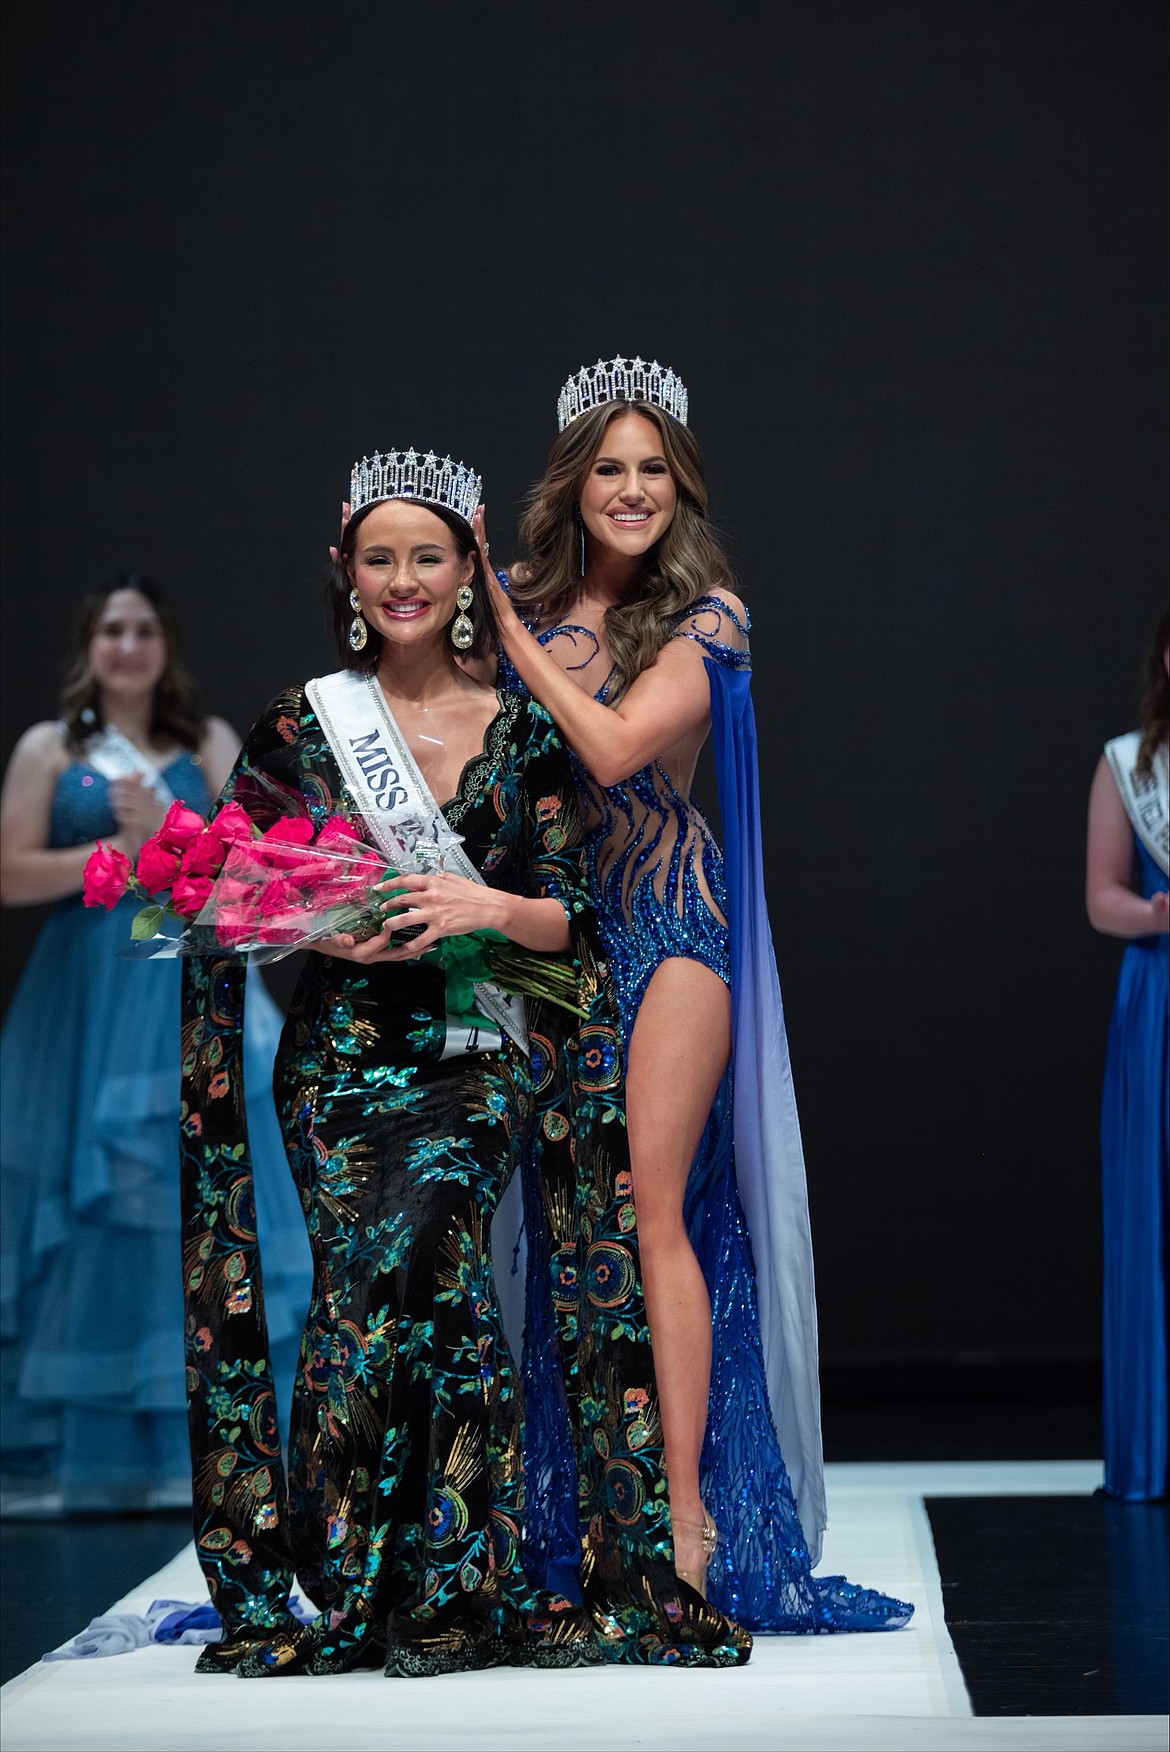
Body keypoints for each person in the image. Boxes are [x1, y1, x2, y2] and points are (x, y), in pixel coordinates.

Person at [180, 448, 751, 1677]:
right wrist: (331, 924)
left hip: (474, 1054)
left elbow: (569, 926)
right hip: (339, 1057)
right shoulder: (302, 721)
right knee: (357, 1288)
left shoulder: (522, 722)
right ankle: (349, 1578)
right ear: (346, 570)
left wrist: (484, 909)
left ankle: (455, 1575)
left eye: (425, 557)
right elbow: (229, 893)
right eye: (379, 559)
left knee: (433, 1237)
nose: (403, 580)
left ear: (465, 570)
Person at [478, 357, 910, 1630]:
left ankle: (682, 1517)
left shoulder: (703, 615)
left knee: (647, 1204)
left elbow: (614, 750)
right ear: (573, 482)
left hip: (670, 927)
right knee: (560, 1228)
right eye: (607, 468)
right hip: (544, 940)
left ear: (681, 485)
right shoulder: (515, 599)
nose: (629, 490)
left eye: (652, 469)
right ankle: (563, 1511)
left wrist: (504, 632)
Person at [0, 576, 310, 1515]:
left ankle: (222, 1446)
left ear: (165, 645)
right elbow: (11, 871)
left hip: (185, 979)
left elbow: (242, 869)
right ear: (88, 646)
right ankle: (88, 1454)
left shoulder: (207, 743)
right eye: (110, 630)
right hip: (90, 992)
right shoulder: (51, 748)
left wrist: (178, 856)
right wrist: (120, 859)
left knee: (201, 1192)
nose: (127, 646)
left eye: (143, 630)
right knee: (92, 1204)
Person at [1085, 607, 1169, 1502]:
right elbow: (1103, 899)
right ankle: (1155, 1445)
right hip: (1161, 994)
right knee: (1155, 1213)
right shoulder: (1129, 763)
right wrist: (1156, 914)